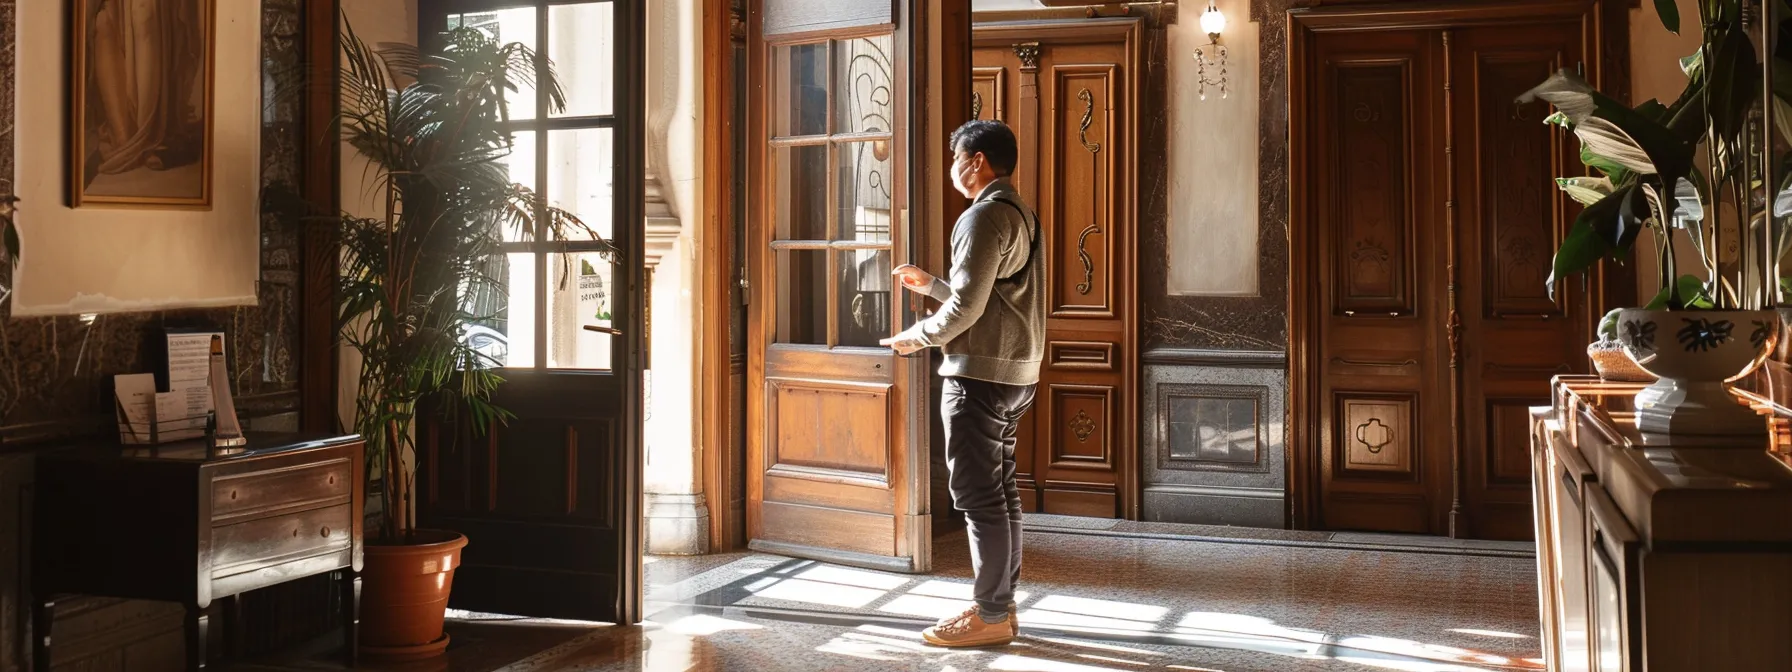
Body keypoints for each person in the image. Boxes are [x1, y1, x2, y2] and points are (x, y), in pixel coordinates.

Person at [880, 120, 1044, 648]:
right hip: (1015, 374)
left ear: (976, 161)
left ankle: (990, 614)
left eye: (956, 157)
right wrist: (931, 286)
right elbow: (990, 298)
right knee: (1001, 493)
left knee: (978, 496)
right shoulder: (1018, 211)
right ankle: (1001, 607)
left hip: (978, 376)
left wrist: (917, 336)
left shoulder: (982, 217)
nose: (953, 166)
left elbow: (967, 309)